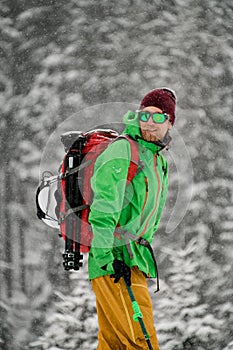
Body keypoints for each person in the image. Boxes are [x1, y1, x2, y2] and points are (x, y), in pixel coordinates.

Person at [88, 88, 176, 349]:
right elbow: (103, 210)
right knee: (142, 342)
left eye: (158, 117)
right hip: (115, 260)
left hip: (133, 258)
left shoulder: (157, 159)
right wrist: (106, 258)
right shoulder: (124, 151)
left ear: (170, 121)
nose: (149, 122)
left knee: (115, 344)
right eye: (144, 115)